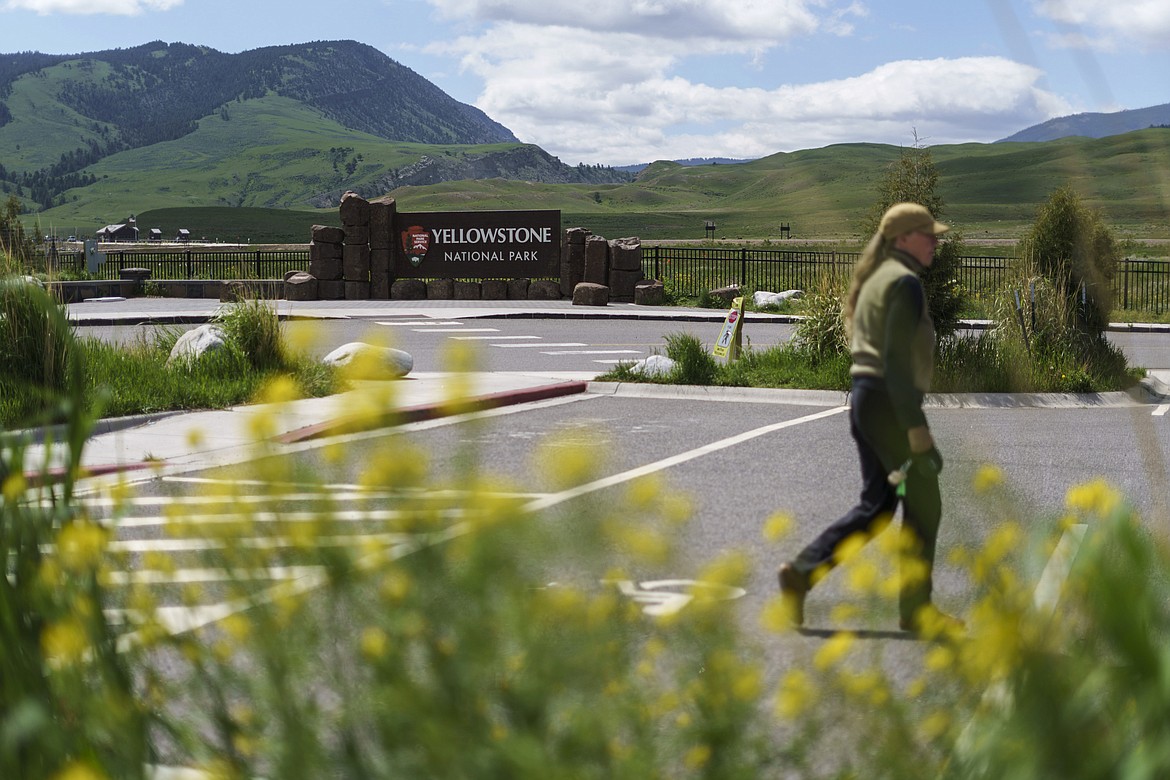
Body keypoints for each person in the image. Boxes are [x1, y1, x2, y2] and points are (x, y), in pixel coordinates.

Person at [777, 202, 962, 638]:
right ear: (902, 240)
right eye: (927, 234)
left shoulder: (879, 279)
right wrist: (916, 430)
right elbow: (896, 363)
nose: (935, 241)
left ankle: (801, 573)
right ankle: (916, 610)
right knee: (924, 502)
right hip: (887, 402)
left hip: (867, 400)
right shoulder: (904, 284)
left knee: (878, 504)